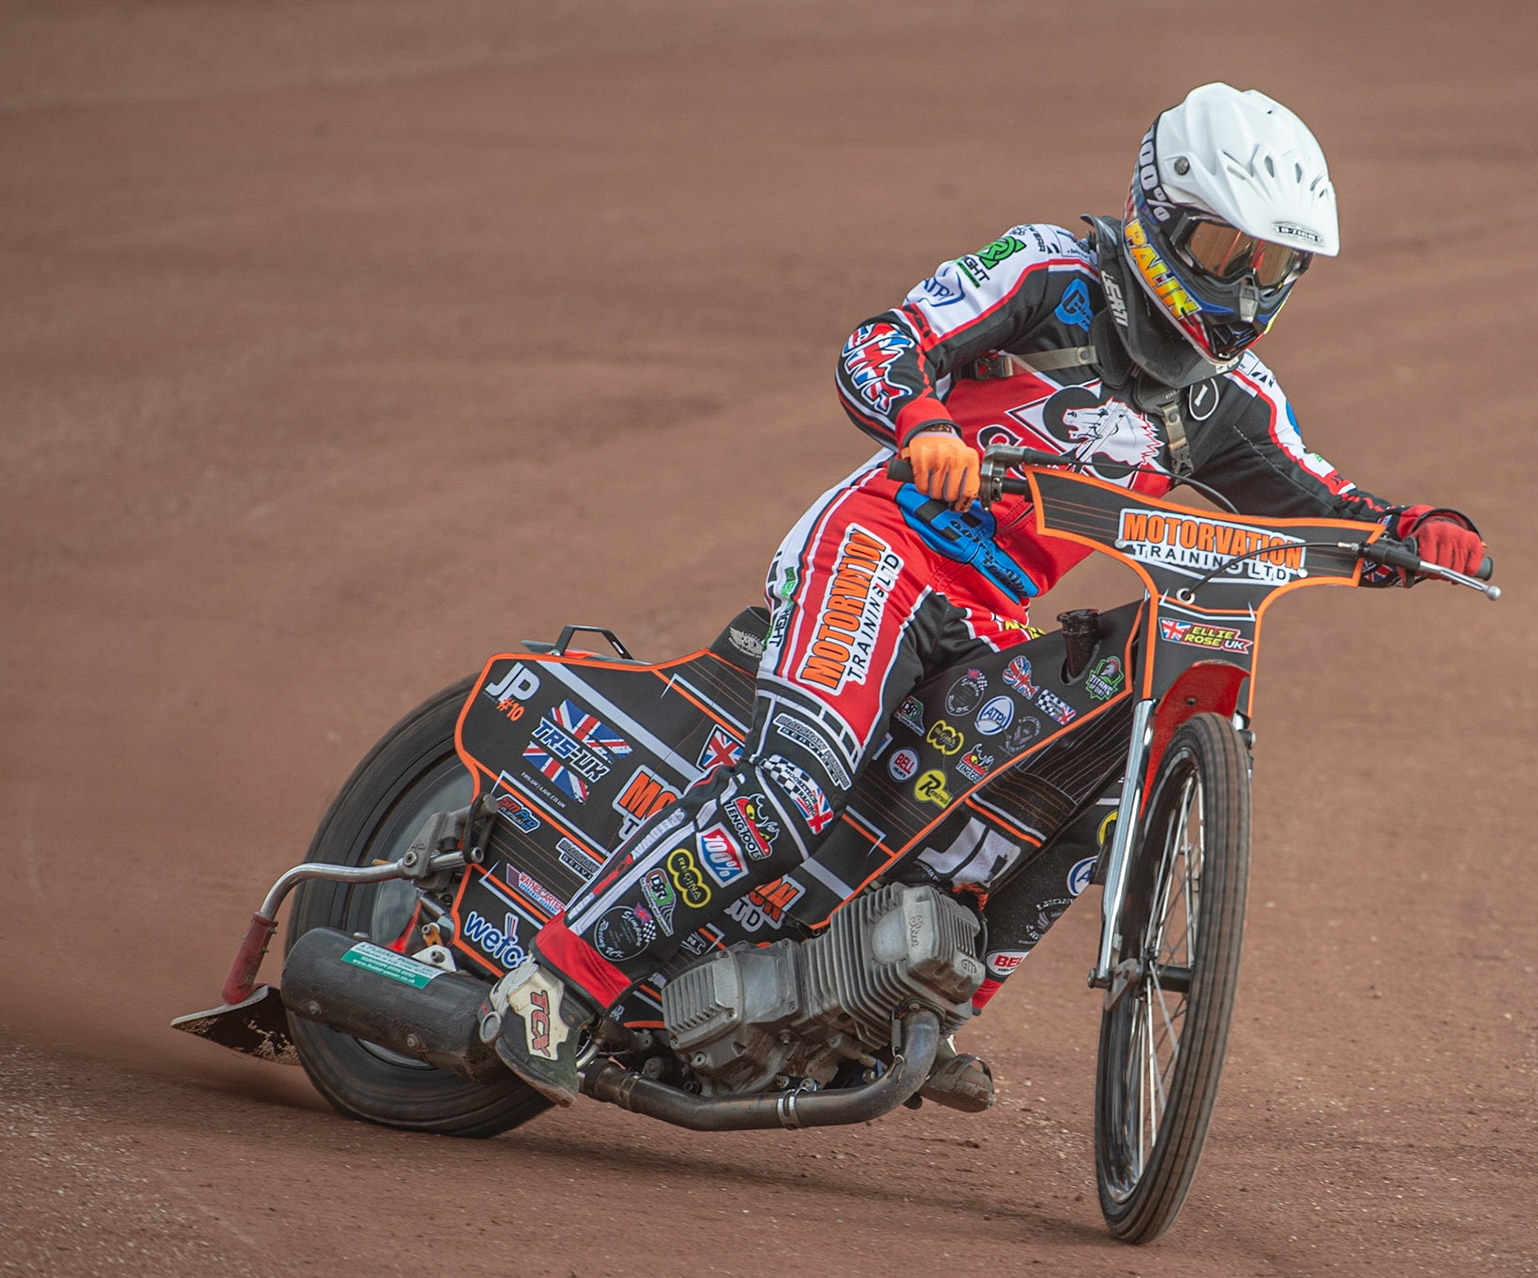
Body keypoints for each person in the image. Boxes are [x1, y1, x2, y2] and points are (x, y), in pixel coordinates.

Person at [485, 83, 1486, 1107]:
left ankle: (917, 999)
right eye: (1232, 254)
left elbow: (1323, 500)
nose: (1250, 287)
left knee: (1094, 763)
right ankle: (555, 980)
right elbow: (880, 345)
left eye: (1277, 267)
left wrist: (1411, 533)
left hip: (984, 619)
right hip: (882, 554)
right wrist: (923, 419)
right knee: (791, 790)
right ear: (1160, 222)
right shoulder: (1050, 274)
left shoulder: (1228, 399)